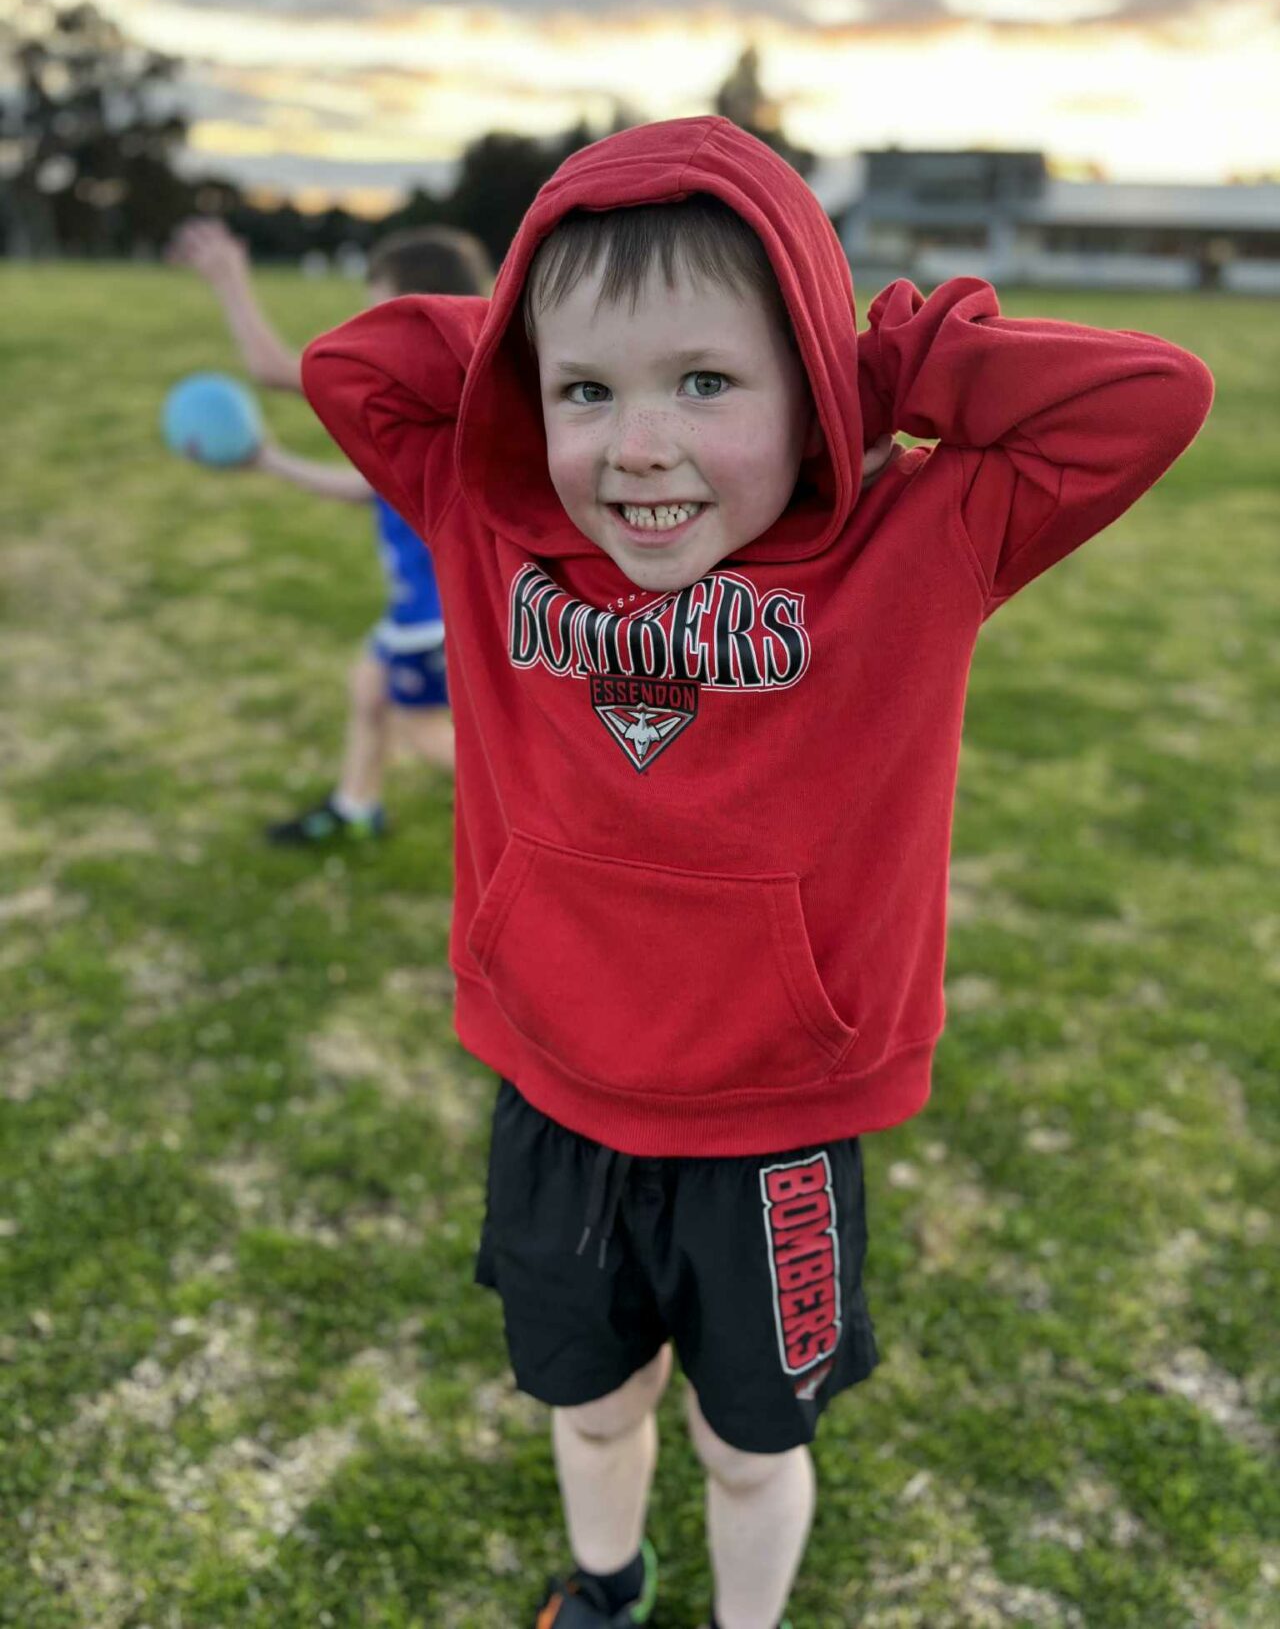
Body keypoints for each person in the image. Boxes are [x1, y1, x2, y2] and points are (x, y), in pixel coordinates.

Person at [299, 118, 1214, 1628]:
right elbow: (358, 366)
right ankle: (606, 1586)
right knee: (592, 1408)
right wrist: (540, 339)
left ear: (814, 387)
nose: (638, 446)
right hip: (555, 1088)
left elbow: (1147, 397)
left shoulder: (919, 541)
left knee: (748, 1443)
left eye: (707, 382)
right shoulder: (490, 517)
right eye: (588, 391)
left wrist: (873, 367)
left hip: (773, 1118)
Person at [166, 219, 494, 841]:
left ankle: (553, 811)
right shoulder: (450, 388)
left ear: (414, 307)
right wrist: (269, 462)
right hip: (429, 603)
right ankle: (355, 810)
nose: (365, 327)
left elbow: (272, 370)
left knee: (425, 733)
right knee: (370, 687)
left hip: (433, 610)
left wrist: (229, 279)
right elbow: (366, 490)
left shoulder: (421, 379)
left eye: (377, 307)